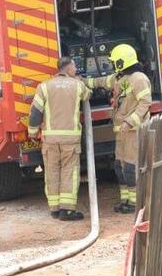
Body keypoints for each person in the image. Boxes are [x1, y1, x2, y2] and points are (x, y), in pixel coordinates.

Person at [86, 44, 152, 214]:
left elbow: (145, 103)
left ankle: (135, 203)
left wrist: (129, 122)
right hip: (121, 132)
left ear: (123, 62)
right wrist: (83, 81)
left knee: (130, 167)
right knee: (119, 166)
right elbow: (102, 81)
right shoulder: (120, 78)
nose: (113, 64)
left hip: (133, 131)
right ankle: (126, 201)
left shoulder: (139, 78)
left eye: (115, 61)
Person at [27, 56, 91, 221]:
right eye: (74, 67)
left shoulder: (44, 87)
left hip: (50, 139)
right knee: (69, 172)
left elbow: (35, 112)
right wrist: (81, 81)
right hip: (71, 140)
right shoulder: (77, 86)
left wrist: (33, 133)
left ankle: (54, 208)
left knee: (52, 172)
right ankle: (67, 210)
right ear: (68, 68)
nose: (76, 69)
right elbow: (87, 96)